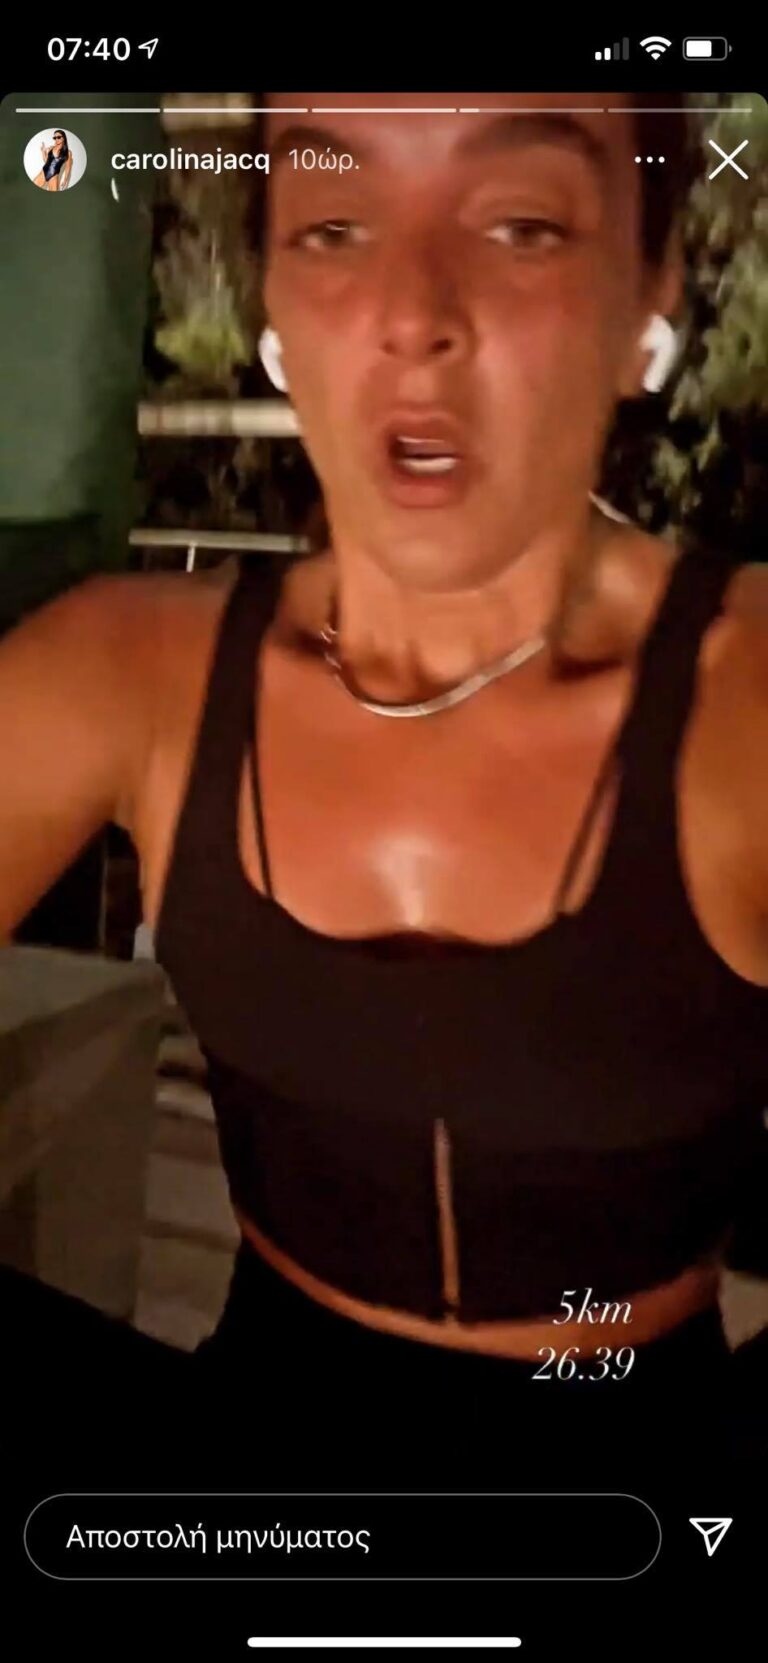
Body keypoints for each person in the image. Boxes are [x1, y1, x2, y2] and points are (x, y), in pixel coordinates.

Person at [1, 91, 766, 1501]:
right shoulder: (131, 666)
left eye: (521, 225)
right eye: (336, 226)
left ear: (652, 280)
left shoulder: (746, 697)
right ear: (274, 295)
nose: (415, 314)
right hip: (256, 1458)